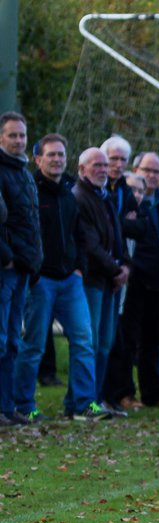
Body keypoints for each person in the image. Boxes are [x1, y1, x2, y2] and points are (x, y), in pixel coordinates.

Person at [16, 133, 96, 423]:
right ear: (38, 159)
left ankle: (83, 404)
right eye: (51, 154)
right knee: (34, 344)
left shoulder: (69, 191)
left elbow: (79, 234)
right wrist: (33, 272)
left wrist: (79, 268)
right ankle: (24, 404)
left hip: (70, 280)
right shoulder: (30, 190)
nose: (57, 159)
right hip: (41, 281)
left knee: (84, 340)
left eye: (61, 154)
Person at [105, 151, 159, 412]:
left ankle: (153, 391)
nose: (153, 176)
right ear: (135, 170)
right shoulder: (129, 202)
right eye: (148, 170)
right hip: (134, 278)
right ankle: (124, 392)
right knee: (128, 339)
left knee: (154, 339)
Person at [73, 146, 129, 419]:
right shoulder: (80, 197)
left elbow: (117, 236)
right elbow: (90, 244)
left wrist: (125, 265)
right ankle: (81, 401)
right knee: (91, 342)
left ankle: (96, 398)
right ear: (82, 169)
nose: (103, 170)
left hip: (110, 281)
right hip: (94, 279)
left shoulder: (104, 195)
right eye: (97, 165)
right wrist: (116, 269)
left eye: (105, 165)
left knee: (105, 343)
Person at [0, 111, 42, 426]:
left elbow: (31, 223)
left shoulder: (25, 173)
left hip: (24, 268)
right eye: (13, 135)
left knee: (13, 340)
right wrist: (7, 257)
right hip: (7, 268)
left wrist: (33, 261)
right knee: (1, 339)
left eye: (23, 136)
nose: (19, 141)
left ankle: (7, 406)